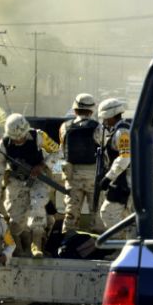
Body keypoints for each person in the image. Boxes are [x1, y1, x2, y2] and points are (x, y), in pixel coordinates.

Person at [0, 113, 61, 258]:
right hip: (16, 181)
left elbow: (57, 152)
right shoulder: (3, 145)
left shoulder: (38, 136)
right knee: (16, 217)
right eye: (15, 139)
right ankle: (18, 247)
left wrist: (42, 165)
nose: (18, 141)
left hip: (38, 179)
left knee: (38, 205)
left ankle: (37, 244)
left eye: (20, 137)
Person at [59, 93, 103, 233]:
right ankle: (98, 247)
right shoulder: (98, 127)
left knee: (71, 213)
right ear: (92, 110)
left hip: (72, 176)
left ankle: (67, 245)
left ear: (75, 110)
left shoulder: (65, 127)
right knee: (96, 212)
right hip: (93, 175)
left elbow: (62, 151)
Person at [97, 98, 133, 238]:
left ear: (111, 115)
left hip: (125, 180)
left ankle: (120, 248)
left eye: (105, 117)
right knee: (127, 217)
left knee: (108, 213)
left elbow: (125, 157)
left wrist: (108, 178)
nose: (104, 121)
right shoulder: (118, 130)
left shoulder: (122, 132)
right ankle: (125, 250)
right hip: (124, 179)